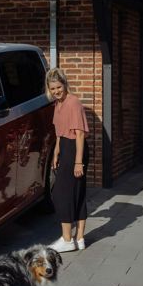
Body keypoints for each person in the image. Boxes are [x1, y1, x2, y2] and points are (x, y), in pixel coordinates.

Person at [46, 68, 89, 253]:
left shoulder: (73, 103)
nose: (56, 91)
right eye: (52, 88)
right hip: (64, 146)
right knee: (75, 193)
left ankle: (67, 239)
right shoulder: (58, 104)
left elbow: (79, 135)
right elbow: (59, 132)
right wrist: (56, 152)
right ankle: (79, 238)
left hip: (75, 149)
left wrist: (78, 162)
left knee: (61, 194)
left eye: (58, 87)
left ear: (65, 84)